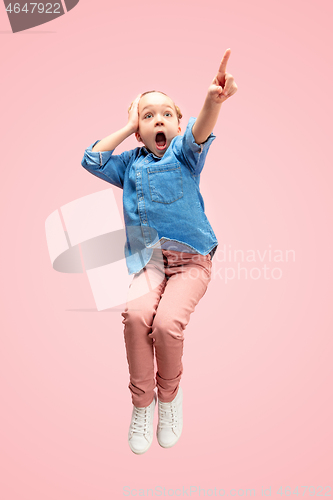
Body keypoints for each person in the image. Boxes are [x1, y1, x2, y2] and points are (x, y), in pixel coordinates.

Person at [81, 49, 238, 454]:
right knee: (136, 318)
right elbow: (93, 159)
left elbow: (201, 129)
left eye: (166, 113)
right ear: (139, 130)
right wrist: (127, 124)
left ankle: (169, 398)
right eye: (147, 116)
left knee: (166, 325)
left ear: (178, 123)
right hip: (148, 264)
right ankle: (142, 403)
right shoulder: (129, 163)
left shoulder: (184, 153)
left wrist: (212, 102)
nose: (158, 120)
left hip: (191, 262)